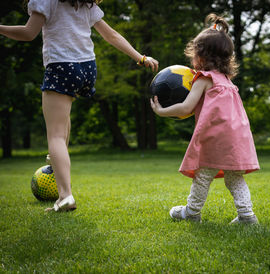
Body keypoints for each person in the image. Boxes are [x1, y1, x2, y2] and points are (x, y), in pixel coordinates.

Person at [0, 0, 158, 212]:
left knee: (54, 135)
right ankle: (57, 162)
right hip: (87, 69)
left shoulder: (46, 1)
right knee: (63, 119)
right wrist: (141, 57)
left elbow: (29, 33)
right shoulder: (85, 3)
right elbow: (111, 35)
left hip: (62, 66)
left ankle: (65, 195)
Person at [150, 14, 259, 224]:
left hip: (215, 138)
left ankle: (191, 212)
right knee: (234, 177)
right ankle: (247, 215)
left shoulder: (204, 78)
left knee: (203, 176)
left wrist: (161, 111)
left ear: (201, 56)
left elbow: (187, 106)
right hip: (238, 137)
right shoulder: (227, 81)